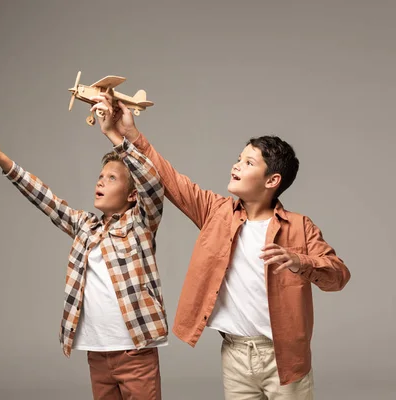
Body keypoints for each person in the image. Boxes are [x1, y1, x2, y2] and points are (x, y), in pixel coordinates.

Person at [90, 93, 351, 400]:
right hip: (236, 354)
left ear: (272, 180)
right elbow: (170, 179)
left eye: (249, 162)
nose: (236, 165)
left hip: (285, 358)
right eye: (239, 158)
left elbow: (338, 276)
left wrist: (300, 262)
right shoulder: (217, 213)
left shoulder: (300, 227)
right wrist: (129, 134)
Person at [0, 119, 168, 399]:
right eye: (101, 176)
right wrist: (3, 161)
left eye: (112, 178)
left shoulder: (140, 225)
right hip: (97, 354)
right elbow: (47, 200)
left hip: (134, 352)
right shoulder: (85, 226)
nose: (101, 180)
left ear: (132, 195)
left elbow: (154, 185)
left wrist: (117, 138)